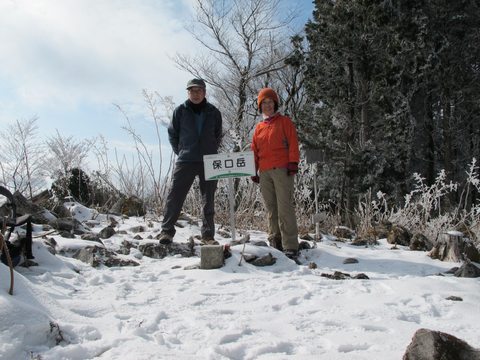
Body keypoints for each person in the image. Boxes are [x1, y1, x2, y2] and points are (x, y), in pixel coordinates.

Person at [158, 79, 223, 245]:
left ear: (204, 92)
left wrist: (210, 149)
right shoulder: (180, 111)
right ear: (188, 93)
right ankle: (166, 231)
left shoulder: (214, 112)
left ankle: (208, 236)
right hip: (186, 159)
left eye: (199, 91)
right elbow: (173, 134)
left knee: (208, 199)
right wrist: (181, 151)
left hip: (209, 160)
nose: (195, 94)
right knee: (175, 196)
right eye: (192, 91)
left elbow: (217, 135)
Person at [251, 87, 300, 259]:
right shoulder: (258, 128)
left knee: (284, 207)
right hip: (264, 172)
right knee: (271, 208)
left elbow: (293, 142)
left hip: (282, 170)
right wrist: (253, 170)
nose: (267, 105)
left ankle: (291, 245)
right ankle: (275, 240)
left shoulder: (284, 121)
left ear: (275, 103)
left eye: (270, 102)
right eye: (264, 103)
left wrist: (293, 162)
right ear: (260, 106)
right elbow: (254, 151)